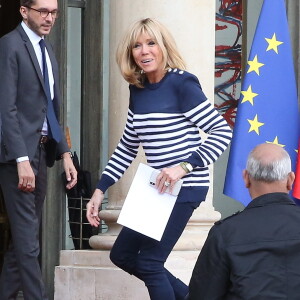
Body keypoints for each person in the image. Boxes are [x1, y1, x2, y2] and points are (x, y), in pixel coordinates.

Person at [86, 18, 232, 300]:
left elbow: (221, 131)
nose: (144, 51)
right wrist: (100, 189)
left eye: (151, 43)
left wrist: (185, 166)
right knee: (123, 254)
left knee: (151, 262)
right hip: (156, 190)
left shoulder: (182, 84)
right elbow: (128, 146)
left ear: (163, 47)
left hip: (185, 188)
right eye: (137, 46)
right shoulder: (137, 90)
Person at [0, 0, 77, 299]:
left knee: (23, 241)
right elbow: (6, 108)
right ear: (24, 11)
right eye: (42, 11)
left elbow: (51, 109)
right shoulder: (9, 45)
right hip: (19, 156)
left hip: (42, 152)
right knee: (29, 242)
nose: (50, 18)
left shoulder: (46, 49)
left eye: (54, 12)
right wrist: (21, 159)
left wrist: (65, 152)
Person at [188, 143, 300, 300]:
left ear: (246, 178)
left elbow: (202, 295)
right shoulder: (225, 233)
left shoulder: (226, 233)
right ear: (291, 179)